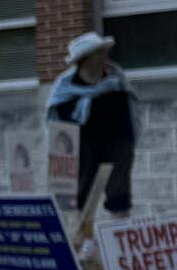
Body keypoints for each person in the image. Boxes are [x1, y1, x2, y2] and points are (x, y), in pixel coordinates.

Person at [48, 30, 136, 221]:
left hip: (117, 141)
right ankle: (84, 239)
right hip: (84, 144)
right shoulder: (66, 86)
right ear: (86, 58)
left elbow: (128, 111)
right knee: (81, 192)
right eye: (99, 52)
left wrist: (128, 142)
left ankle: (119, 234)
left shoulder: (116, 79)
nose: (105, 56)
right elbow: (58, 120)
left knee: (119, 192)